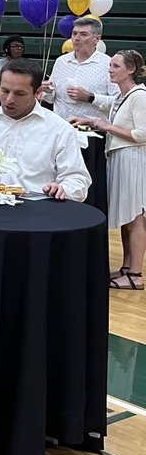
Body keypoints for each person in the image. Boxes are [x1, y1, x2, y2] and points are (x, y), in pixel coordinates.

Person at [0, 58, 90, 201]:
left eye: (19, 94)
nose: (9, 99)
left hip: (35, 213)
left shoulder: (59, 129)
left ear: (38, 92)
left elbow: (78, 179)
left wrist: (63, 189)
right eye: (5, 91)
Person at [72, 50, 146, 290]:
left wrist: (108, 126)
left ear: (131, 70)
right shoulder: (121, 96)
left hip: (132, 158)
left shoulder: (139, 96)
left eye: (115, 66)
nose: (110, 69)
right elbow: (112, 124)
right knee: (127, 217)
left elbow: (142, 135)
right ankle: (126, 267)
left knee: (135, 217)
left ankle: (135, 274)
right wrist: (90, 121)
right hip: (118, 156)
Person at [42, 16, 116, 122]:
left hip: (91, 132)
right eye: (74, 33)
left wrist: (90, 97)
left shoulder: (108, 64)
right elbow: (51, 99)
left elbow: (118, 103)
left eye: (83, 34)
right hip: (60, 128)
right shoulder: (61, 61)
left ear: (97, 39)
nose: (76, 38)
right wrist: (48, 91)